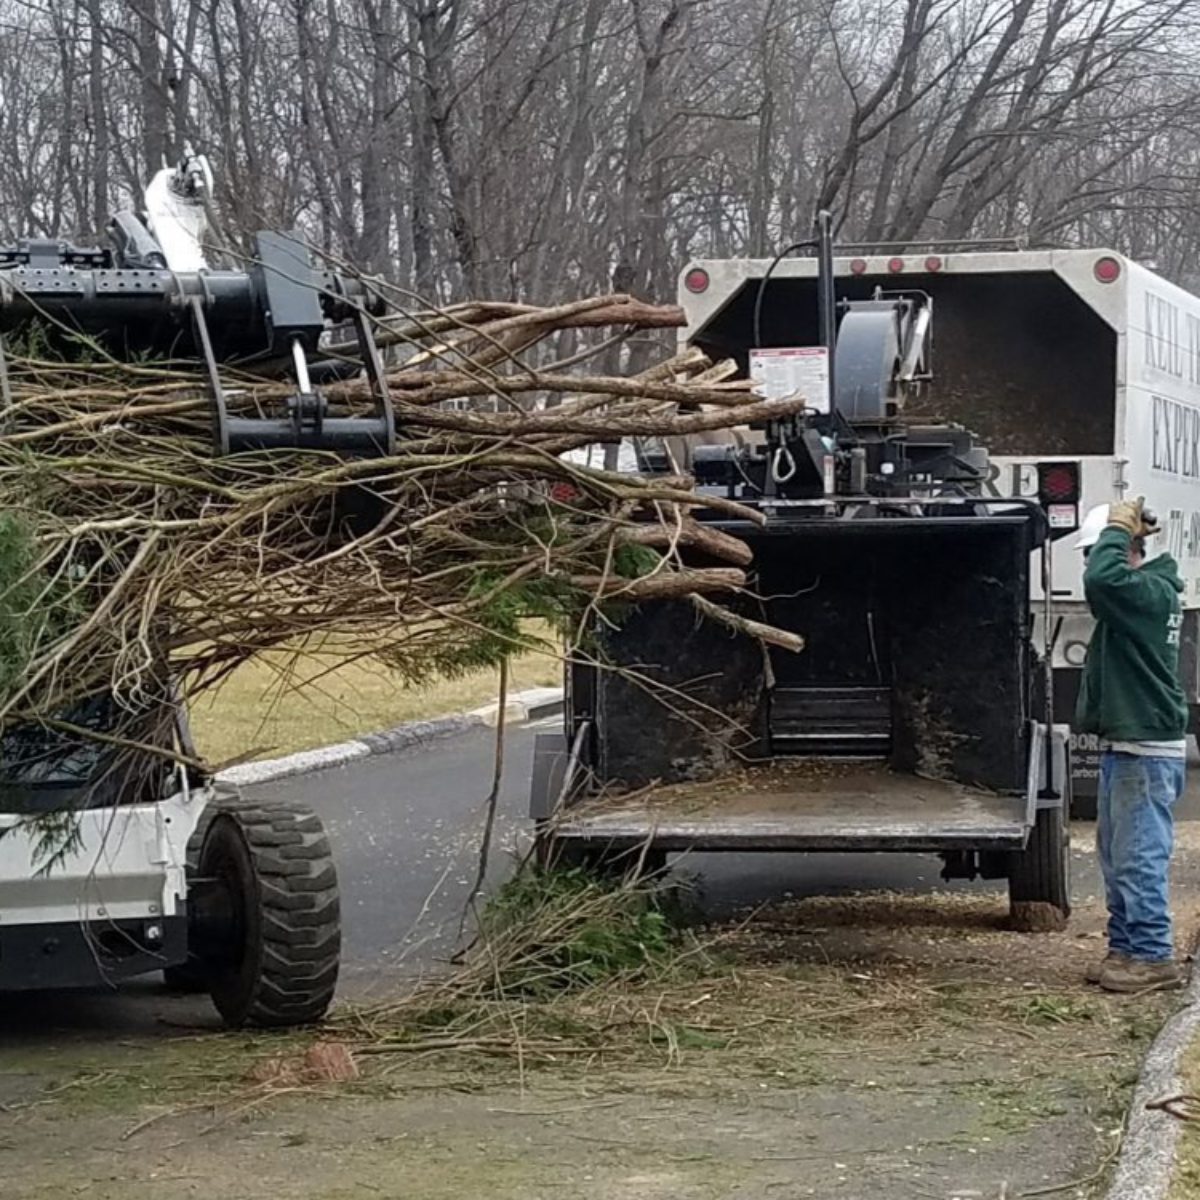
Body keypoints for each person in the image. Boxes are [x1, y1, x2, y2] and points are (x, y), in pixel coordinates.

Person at [1075, 497, 1188, 992]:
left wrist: (1114, 532)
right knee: (1117, 856)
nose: (1088, 565)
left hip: (1145, 748)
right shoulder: (1147, 593)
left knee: (1138, 855)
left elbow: (1102, 580)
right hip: (1131, 746)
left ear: (1126, 549)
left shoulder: (1144, 592)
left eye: (1094, 551)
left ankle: (1151, 954)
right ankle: (1126, 947)